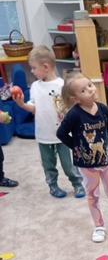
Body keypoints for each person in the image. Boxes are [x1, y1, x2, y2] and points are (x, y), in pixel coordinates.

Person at [57, 72, 108, 243]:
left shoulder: (103, 109)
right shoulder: (74, 114)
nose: (90, 90)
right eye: (83, 90)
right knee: (93, 195)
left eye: (90, 85)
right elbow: (61, 133)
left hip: (106, 161)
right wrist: (77, 147)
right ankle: (99, 226)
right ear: (76, 99)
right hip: (87, 165)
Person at [12, 46, 85, 199]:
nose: (32, 71)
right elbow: (34, 107)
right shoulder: (35, 87)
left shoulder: (62, 85)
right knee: (48, 164)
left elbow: (71, 107)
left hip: (63, 135)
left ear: (45, 67)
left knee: (68, 163)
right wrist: (22, 104)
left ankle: (77, 183)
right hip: (43, 135)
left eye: (33, 68)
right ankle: (53, 186)